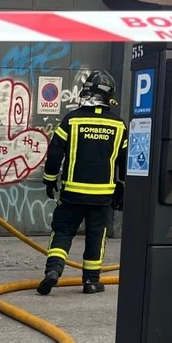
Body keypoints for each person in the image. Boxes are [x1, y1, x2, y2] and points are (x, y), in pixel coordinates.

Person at [36, 70, 127, 296]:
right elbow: (126, 161)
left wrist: (49, 179)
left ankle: (54, 271)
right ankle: (90, 281)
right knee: (97, 236)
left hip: (72, 193)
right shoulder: (119, 125)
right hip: (102, 195)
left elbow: (55, 151)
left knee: (63, 231)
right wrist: (122, 187)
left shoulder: (72, 119)